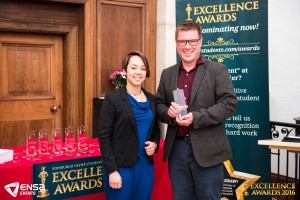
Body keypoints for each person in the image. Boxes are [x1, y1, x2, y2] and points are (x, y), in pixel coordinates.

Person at [156, 20, 238, 200]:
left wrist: (196, 117)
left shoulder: (217, 70)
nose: (187, 46)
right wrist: (168, 113)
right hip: (177, 150)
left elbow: (229, 103)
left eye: (192, 41)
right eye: (182, 42)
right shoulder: (167, 73)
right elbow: (159, 104)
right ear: (176, 43)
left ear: (200, 41)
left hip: (208, 150)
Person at [99, 51, 160, 200]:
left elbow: (156, 131)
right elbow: (104, 137)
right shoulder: (113, 99)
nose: (138, 72)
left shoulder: (153, 99)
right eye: (134, 68)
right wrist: (112, 171)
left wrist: (154, 144)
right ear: (125, 72)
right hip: (121, 167)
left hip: (145, 165)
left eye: (143, 68)